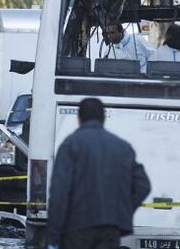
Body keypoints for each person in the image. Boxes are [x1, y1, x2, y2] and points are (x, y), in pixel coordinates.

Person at [47, 98, 151, 249]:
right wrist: (122, 212)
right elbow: (143, 186)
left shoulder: (71, 144)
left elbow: (59, 192)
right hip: (110, 228)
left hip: (76, 228)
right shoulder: (123, 147)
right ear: (103, 118)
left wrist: (53, 236)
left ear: (79, 118)